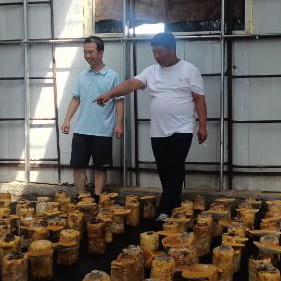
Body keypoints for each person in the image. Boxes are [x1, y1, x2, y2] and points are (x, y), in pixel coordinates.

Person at [93, 32, 208, 220]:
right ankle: (174, 207)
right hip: (158, 131)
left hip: (182, 129)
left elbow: (199, 99)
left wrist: (202, 126)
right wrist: (110, 94)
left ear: (172, 49)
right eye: (154, 52)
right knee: (164, 170)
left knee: (174, 168)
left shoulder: (189, 70)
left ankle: (164, 211)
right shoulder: (151, 71)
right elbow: (132, 84)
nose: (157, 56)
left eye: (160, 52)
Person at [61, 36, 124, 198]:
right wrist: (67, 120)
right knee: (77, 165)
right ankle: (81, 197)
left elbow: (119, 101)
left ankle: (97, 197)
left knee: (101, 167)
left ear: (101, 53)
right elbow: (76, 98)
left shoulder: (113, 76)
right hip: (81, 129)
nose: (87, 55)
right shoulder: (83, 76)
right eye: (85, 52)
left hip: (102, 130)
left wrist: (119, 124)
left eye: (91, 52)